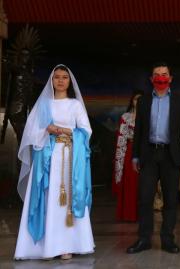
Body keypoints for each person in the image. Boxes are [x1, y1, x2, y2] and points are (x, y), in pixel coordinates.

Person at [14, 64, 94, 260]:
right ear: (51, 80)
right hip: (47, 158)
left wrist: (63, 130)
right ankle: (44, 247)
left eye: (64, 77)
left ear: (69, 81)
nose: (60, 80)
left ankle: (67, 245)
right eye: (56, 77)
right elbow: (31, 133)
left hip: (69, 157)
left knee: (66, 200)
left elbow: (86, 131)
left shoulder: (75, 105)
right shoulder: (43, 105)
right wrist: (46, 130)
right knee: (48, 197)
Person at [126, 62, 180, 254]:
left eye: (164, 74)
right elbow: (138, 131)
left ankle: (167, 239)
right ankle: (144, 239)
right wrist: (135, 156)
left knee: (171, 199)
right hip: (148, 154)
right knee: (145, 198)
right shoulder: (144, 101)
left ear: (170, 78)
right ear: (151, 79)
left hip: (171, 155)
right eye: (157, 74)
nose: (161, 77)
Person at [112, 90, 143, 221]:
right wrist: (120, 157)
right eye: (136, 99)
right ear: (132, 101)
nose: (138, 102)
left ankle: (143, 216)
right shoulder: (126, 117)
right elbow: (121, 138)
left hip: (145, 152)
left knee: (143, 184)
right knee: (130, 182)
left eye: (141, 100)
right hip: (130, 151)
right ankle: (128, 214)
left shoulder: (150, 117)